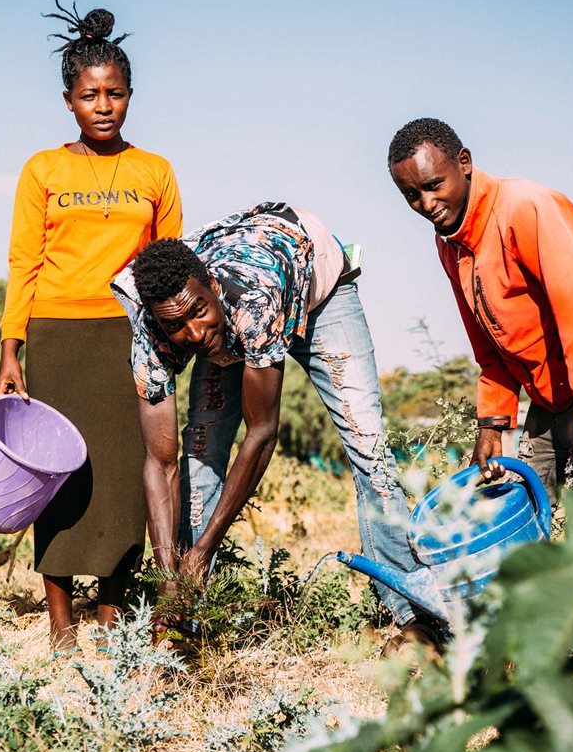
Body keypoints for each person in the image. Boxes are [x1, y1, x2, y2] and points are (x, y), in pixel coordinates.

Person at [113, 203, 440, 650]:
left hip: (317, 289)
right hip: (242, 304)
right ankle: (186, 618)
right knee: (201, 449)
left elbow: (262, 432)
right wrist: (170, 575)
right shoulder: (152, 330)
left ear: (211, 285)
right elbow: (159, 462)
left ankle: (415, 618)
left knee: (368, 448)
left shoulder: (253, 301)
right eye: (176, 325)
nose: (194, 333)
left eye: (198, 311)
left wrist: (204, 546)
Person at [386, 117, 573, 656]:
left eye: (433, 185)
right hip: (547, 387)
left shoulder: (526, 209)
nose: (426, 203)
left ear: (464, 162)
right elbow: (488, 340)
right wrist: (492, 422)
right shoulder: (452, 243)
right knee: (521, 496)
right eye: (410, 194)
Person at [0, 0, 182, 652]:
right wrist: (10, 347)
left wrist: (167, 347)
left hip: (127, 340)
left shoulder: (154, 171)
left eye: (115, 94)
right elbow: (23, 261)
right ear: (68, 100)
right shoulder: (42, 169)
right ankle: (60, 626)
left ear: (130, 96)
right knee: (58, 480)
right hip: (57, 337)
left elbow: (167, 267)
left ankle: (112, 618)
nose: (103, 106)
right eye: (89, 95)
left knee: (126, 481)